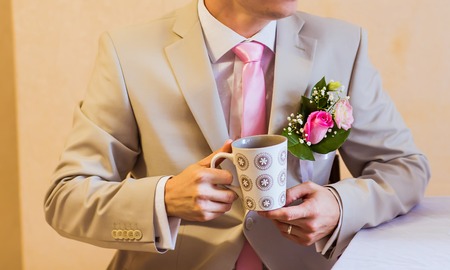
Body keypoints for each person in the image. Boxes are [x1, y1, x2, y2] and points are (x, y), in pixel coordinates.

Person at [44, 0, 431, 269]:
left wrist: (339, 205)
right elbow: (66, 198)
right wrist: (165, 199)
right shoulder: (127, 54)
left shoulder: (343, 44)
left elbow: (404, 167)